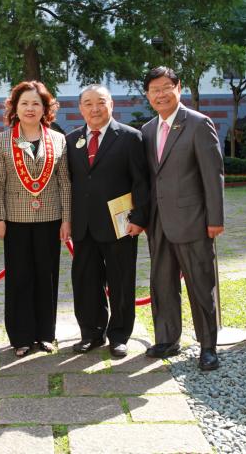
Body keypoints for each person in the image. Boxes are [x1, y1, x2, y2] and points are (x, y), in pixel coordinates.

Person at [140, 66, 225, 371]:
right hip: (158, 221)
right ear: (148, 95)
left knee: (200, 284)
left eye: (166, 87)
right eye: (154, 90)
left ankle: (208, 346)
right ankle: (167, 339)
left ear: (178, 88)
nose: (161, 94)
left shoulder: (198, 124)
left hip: (194, 220)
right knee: (162, 283)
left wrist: (215, 219)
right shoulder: (147, 130)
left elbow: (213, 175)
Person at [65, 85, 149, 358]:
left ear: (111, 104)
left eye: (100, 102)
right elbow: (69, 183)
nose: (95, 108)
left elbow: (140, 182)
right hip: (83, 225)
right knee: (85, 282)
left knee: (121, 281)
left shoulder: (130, 137)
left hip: (120, 224)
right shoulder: (71, 140)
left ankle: (119, 335)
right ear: (81, 108)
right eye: (88, 103)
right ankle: (91, 333)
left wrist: (139, 218)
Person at [0, 81, 71, 357]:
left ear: (45, 108)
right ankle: (21, 337)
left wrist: (67, 219)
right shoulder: (2, 140)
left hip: (50, 219)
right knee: (19, 278)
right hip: (15, 220)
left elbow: (65, 183)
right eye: (24, 103)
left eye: (36, 103)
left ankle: (45, 334)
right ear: (14, 107)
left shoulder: (58, 139)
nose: (30, 108)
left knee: (47, 277)